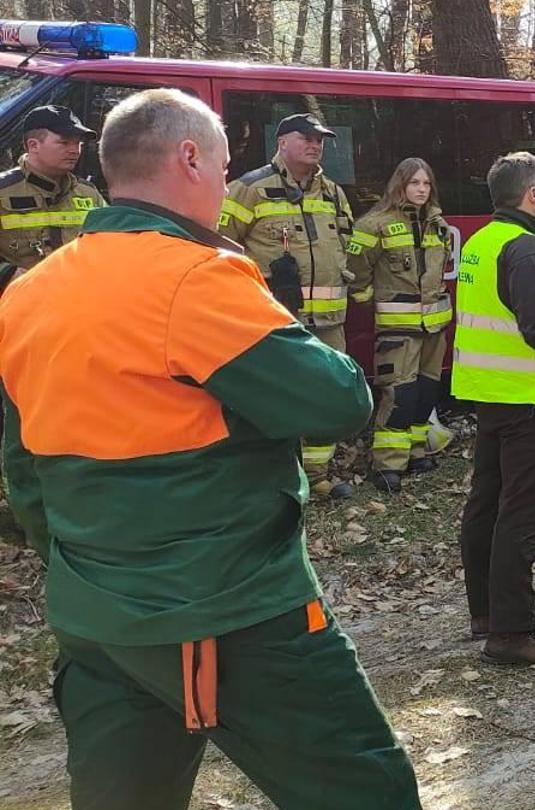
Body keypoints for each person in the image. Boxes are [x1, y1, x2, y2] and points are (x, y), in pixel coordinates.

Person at [0, 88, 420, 810]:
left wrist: (90, 569)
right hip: (225, 613)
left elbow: (25, 471)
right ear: (190, 158)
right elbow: (339, 402)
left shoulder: (29, 294)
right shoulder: (196, 278)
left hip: (94, 623)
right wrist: (275, 309)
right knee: (365, 790)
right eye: (224, 166)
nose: (226, 185)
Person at [452, 152, 535, 665]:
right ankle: (510, 633)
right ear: (532, 195)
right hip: (529, 397)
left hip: (489, 393)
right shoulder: (525, 247)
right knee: (520, 514)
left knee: (486, 505)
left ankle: (487, 612)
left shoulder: (482, 242)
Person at [221, 112, 360, 501]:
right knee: (274, 396)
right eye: (306, 137)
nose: (316, 144)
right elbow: (219, 246)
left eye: (320, 139)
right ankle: (276, 474)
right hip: (275, 319)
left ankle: (318, 474)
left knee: (325, 392)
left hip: (329, 319)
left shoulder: (332, 192)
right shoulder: (249, 189)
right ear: (281, 143)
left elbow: (345, 242)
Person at [347, 159, 454, 494]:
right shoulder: (374, 224)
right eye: (414, 183)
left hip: (435, 326)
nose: (421, 189)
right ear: (400, 185)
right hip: (397, 328)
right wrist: (368, 300)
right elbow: (356, 268)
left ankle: (417, 452)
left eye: (426, 183)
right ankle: (388, 465)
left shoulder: (437, 225)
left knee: (426, 392)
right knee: (399, 394)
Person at [0, 105, 105, 275]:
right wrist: (8, 275)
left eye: (78, 143)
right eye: (64, 142)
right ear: (33, 145)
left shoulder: (89, 193)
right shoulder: (3, 191)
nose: (74, 150)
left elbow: (108, 244)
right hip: (19, 298)